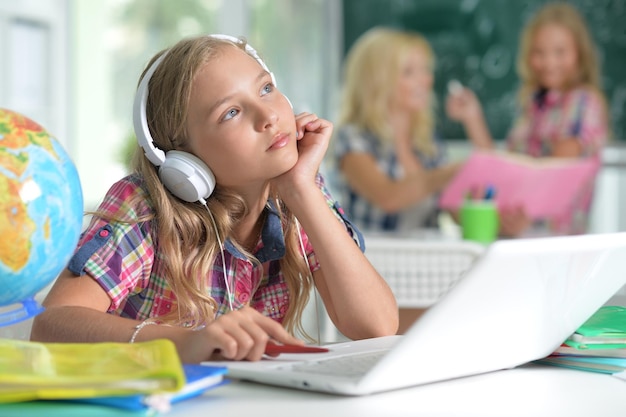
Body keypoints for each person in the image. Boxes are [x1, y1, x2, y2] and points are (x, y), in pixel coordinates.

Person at [30, 34, 399, 363]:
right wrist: (187, 344)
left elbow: (377, 325)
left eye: (266, 89)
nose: (268, 116)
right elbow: (52, 325)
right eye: (231, 112)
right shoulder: (144, 207)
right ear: (183, 159)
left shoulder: (298, 192)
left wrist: (302, 190)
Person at [446, 2, 609, 236]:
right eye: (539, 53)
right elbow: (507, 169)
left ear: (579, 54)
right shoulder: (533, 104)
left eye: (560, 52)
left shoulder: (583, 102)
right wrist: (473, 117)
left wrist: (526, 209)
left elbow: (553, 171)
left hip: (558, 240)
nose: (549, 63)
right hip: (521, 233)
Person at [332, 27, 472, 233]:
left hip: (422, 260)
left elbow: (453, 210)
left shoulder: (428, 142)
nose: (426, 81)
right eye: (409, 72)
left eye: (425, 70)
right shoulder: (353, 138)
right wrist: (449, 173)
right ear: (377, 81)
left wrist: (498, 218)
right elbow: (387, 197)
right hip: (369, 258)